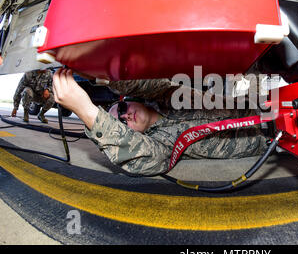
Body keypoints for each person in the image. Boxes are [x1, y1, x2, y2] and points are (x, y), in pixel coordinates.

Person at [52, 69, 272, 176]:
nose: (126, 116)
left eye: (121, 109)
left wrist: (99, 75)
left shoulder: (168, 95)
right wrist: (86, 112)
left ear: (128, 102)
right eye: (121, 123)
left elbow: (144, 85)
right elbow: (144, 158)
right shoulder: (160, 144)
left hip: (263, 106)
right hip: (269, 141)